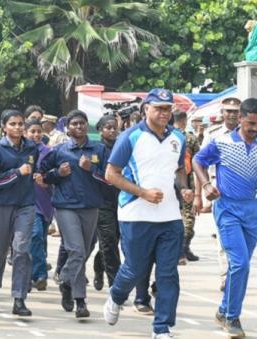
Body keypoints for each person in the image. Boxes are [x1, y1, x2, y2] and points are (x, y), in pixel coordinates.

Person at [103, 89, 193, 339]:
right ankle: (116, 296)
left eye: (168, 108)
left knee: (168, 274)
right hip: (136, 214)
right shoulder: (130, 137)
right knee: (135, 268)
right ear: (146, 109)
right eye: (159, 108)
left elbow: (178, 170)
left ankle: (162, 329)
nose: (164, 113)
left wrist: (184, 189)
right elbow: (111, 175)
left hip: (169, 216)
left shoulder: (177, 137)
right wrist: (142, 193)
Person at [193, 98, 257, 338]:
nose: (255, 128)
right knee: (239, 263)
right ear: (240, 118)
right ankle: (232, 318)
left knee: (241, 266)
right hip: (227, 208)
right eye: (251, 123)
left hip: (252, 209)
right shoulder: (221, 142)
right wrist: (206, 184)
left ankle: (224, 310)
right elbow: (197, 161)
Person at [40, 110, 106, 318]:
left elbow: (110, 177)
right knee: (76, 251)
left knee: (83, 252)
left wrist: (91, 169)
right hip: (66, 206)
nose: (79, 127)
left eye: (82, 123)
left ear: (87, 126)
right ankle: (73, 291)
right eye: (74, 124)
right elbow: (43, 175)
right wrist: (58, 173)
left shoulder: (99, 149)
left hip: (90, 206)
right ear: (67, 128)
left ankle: (71, 290)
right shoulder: (59, 150)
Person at [0, 109, 39, 317]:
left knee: (22, 249)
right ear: (4, 126)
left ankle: (19, 298)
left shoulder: (32, 148)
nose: (17, 127)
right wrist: (17, 173)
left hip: (26, 204)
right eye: (13, 124)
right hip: (1, 205)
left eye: (20, 124)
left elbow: (37, 170)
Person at [196, 97, 241, 290]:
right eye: (228, 111)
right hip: (219, 189)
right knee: (224, 234)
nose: (231, 114)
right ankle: (226, 275)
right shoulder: (213, 134)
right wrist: (201, 192)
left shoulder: (249, 133)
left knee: (244, 238)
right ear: (222, 113)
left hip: (245, 192)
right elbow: (200, 163)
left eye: (235, 111)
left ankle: (237, 270)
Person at [93, 115, 121, 291]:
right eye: (108, 127)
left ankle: (98, 266)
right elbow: (95, 173)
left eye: (114, 127)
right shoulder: (95, 148)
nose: (112, 131)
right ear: (100, 130)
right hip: (101, 201)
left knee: (113, 242)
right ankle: (115, 285)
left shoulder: (122, 146)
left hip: (121, 199)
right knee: (109, 241)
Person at [25, 119, 53, 291]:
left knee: (40, 239)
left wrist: (47, 179)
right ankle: (41, 274)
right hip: (26, 202)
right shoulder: (20, 151)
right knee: (34, 235)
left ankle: (30, 274)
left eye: (38, 131)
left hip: (45, 201)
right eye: (32, 131)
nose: (35, 135)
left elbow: (55, 173)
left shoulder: (49, 153)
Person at [173, 110, 201, 264]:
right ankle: (181, 249)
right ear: (184, 121)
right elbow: (199, 163)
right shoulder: (190, 138)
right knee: (187, 219)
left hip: (181, 182)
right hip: (185, 183)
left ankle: (183, 249)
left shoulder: (167, 136)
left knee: (184, 218)